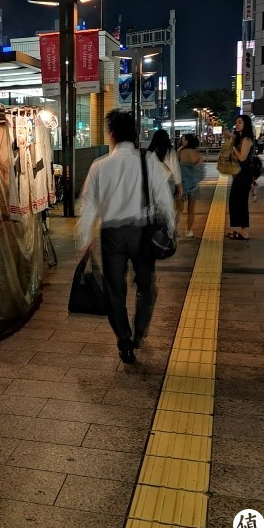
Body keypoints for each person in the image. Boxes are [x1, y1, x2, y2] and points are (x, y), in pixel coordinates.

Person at [77, 110, 176, 364]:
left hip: (112, 235)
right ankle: (139, 333)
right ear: (134, 135)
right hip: (142, 232)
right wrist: (171, 228)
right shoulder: (149, 160)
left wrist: (84, 238)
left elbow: (88, 204)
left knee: (115, 290)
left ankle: (124, 341)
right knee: (145, 286)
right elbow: (164, 198)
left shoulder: (99, 166)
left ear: (111, 135)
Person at [226, 114, 255, 240]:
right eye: (236, 122)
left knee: (241, 202)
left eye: (240, 122)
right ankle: (241, 229)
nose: (237, 124)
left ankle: (245, 232)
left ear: (246, 124)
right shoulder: (241, 138)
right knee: (235, 200)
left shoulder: (247, 139)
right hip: (240, 173)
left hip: (244, 173)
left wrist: (233, 146)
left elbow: (242, 158)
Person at [148, 130, 183, 235]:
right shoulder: (170, 151)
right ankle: (169, 230)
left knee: (155, 206)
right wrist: (179, 186)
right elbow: (175, 169)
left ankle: (156, 228)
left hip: (153, 184)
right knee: (168, 207)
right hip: (168, 183)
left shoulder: (149, 153)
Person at [177, 134, 205, 238]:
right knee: (191, 210)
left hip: (181, 186)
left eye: (183, 139)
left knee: (179, 209)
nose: (181, 141)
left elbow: (175, 169)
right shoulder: (198, 155)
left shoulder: (180, 152)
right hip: (194, 186)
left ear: (187, 141)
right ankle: (189, 231)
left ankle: (176, 229)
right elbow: (202, 174)